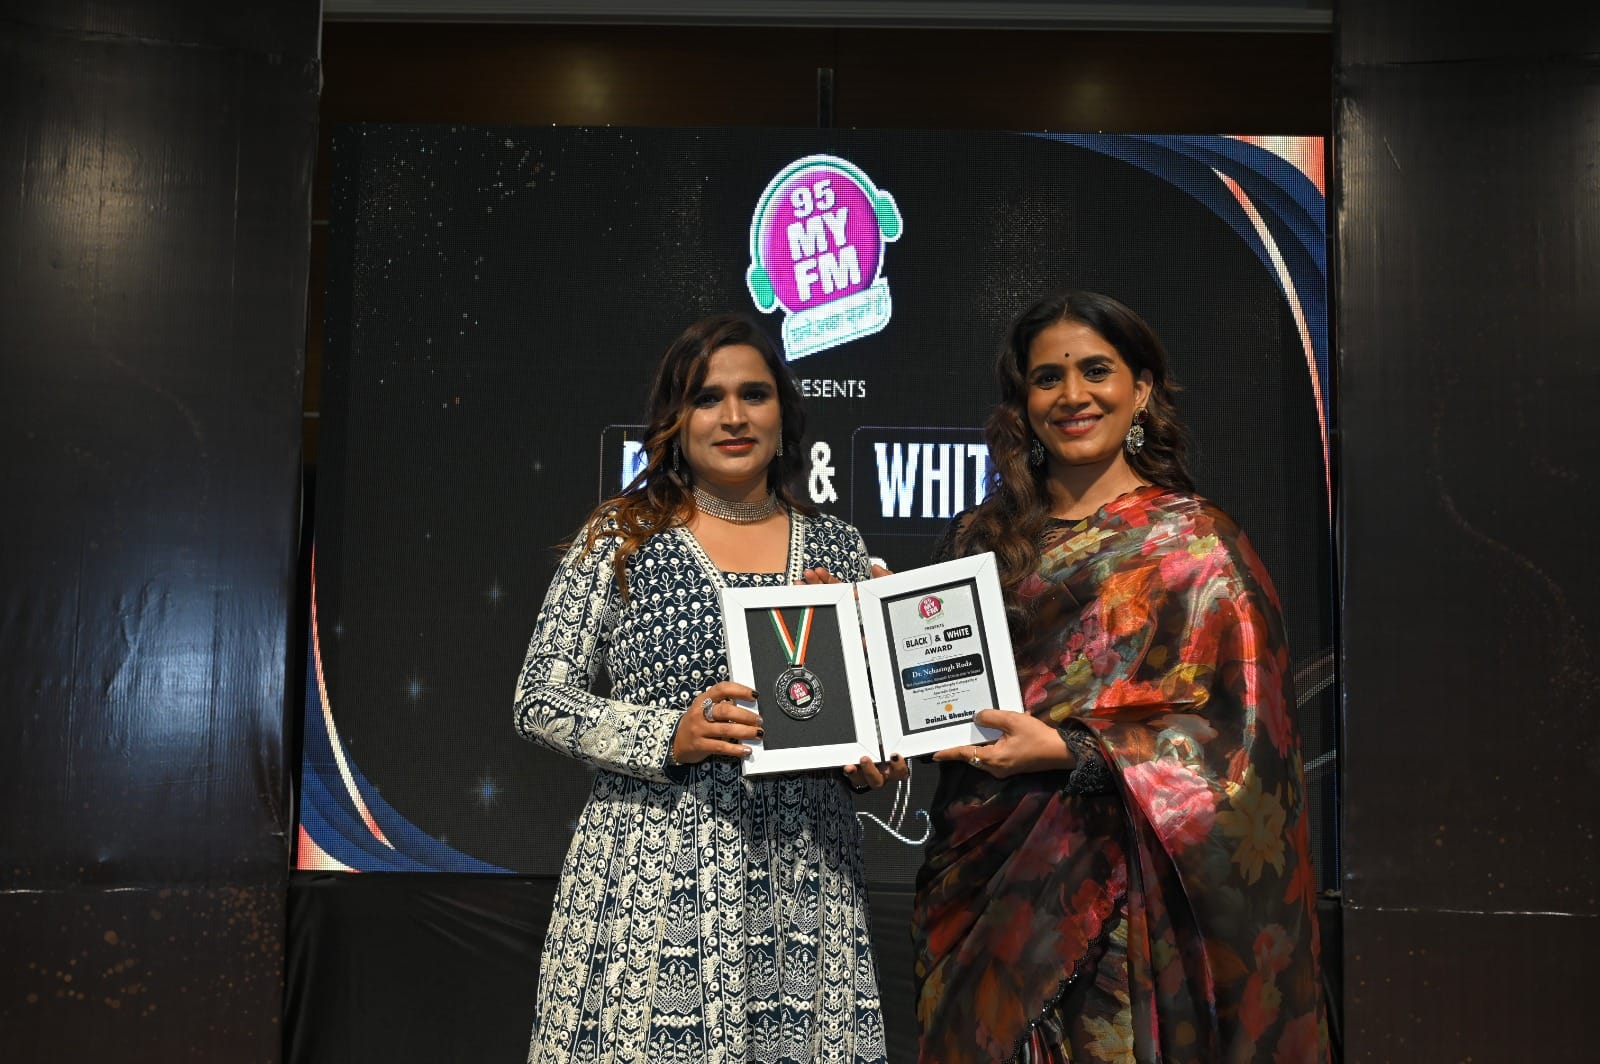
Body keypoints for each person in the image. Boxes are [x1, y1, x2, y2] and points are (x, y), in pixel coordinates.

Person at [912, 291, 1328, 1063]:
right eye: (1048, 378)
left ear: (1141, 390)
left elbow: (1239, 743)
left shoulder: (1195, 547)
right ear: (1023, 402)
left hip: (1115, 899)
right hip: (979, 877)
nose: (1073, 395)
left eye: (1096, 371)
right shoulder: (984, 538)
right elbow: (941, 686)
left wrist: (1072, 751)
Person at [514, 313, 907, 1064]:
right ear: (676, 419)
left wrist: (873, 759)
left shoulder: (838, 546)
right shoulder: (621, 537)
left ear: (783, 416)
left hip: (806, 886)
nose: (733, 417)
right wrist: (668, 735)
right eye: (706, 397)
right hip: (652, 882)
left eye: (754, 395)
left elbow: (865, 718)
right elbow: (540, 696)